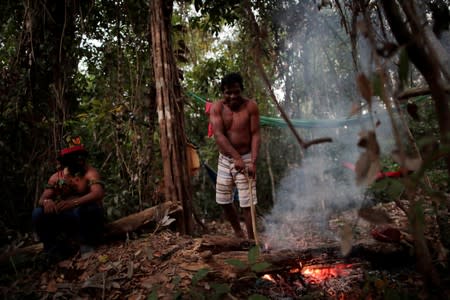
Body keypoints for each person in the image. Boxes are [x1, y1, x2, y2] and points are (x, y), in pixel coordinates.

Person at [32, 135, 105, 261]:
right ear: (66, 160)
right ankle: (52, 250)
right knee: (38, 213)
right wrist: (46, 202)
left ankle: (87, 244)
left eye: (82, 155)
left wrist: (74, 203)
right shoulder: (56, 178)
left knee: (86, 209)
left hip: (88, 217)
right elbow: (41, 199)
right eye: (76, 156)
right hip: (69, 219)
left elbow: (97, 193)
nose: (80, 158)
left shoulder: (90, 172)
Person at [209, 73, 261, 239]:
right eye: (228, 92)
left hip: (246, 157)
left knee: (247, 202)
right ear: (223, 93)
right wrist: (235, 157)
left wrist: (252, 161)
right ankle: (239, 233)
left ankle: (252, 241)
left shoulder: (250, 106)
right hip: (225, 159)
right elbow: (218, 135)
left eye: (236, 92)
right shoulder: (217, 108)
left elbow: (256, 134)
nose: (233, 96)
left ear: (241, 90)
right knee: (223, 199)